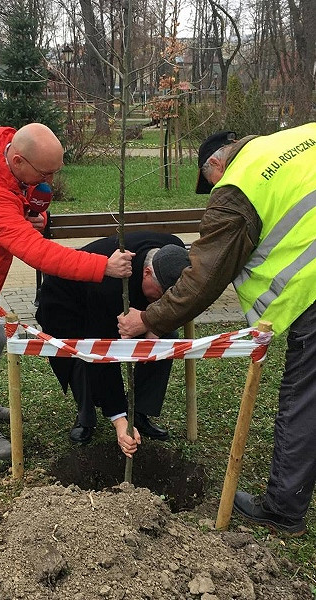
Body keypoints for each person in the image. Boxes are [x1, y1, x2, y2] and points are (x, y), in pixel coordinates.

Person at [118, 123, 316, 535]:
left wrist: (147, 318)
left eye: (210, 184)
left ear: (215, 162)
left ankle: (283, 508)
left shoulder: (239, 184)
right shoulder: (299, 138)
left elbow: (204, 278)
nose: (214, 194)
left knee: (305, 398)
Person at [0, 123, 133, 461]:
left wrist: (35, 217)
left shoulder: (2, 158)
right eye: (45, 172)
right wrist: (101, 266)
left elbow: (27, 204)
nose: (50, 179)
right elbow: (37, 252)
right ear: (18, 162)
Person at [36, 232, 190, 458]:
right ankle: (87, 417)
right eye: (160, 294)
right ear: (147, 273)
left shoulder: (173, 252)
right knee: (83, 356)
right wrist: (119, 421)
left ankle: (138, 412)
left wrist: (151, 323)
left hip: (115, 299)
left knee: (164, 339)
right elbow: (102, 356)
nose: (162, 301)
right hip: (67, 301)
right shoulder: (109, 286)